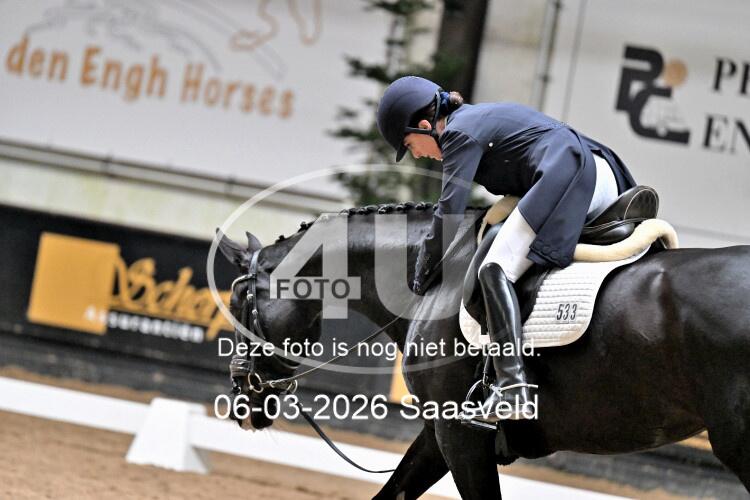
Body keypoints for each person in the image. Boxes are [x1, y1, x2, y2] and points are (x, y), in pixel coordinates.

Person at [376, 76, 637, 424]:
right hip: (600, 171)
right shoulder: (474, 119)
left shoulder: (457, 133)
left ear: (424, 126)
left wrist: (422, 270)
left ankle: (513, 387)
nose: (417, 154)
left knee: (494, 269)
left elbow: (448, 214)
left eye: (410, 145)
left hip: (569, 173)